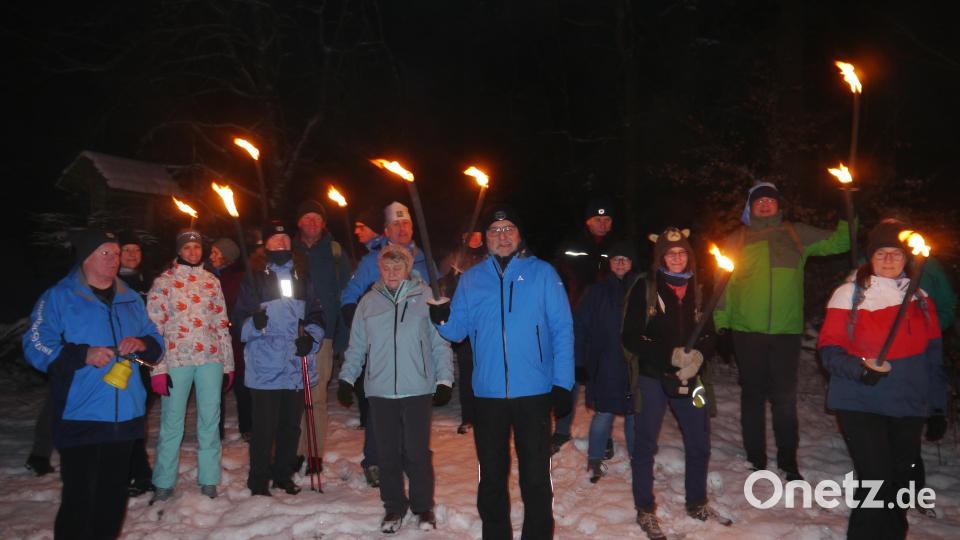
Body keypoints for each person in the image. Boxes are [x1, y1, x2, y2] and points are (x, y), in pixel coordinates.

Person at [429, 204, 574, 539]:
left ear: (519, 234)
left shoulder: (543, 274)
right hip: (488, 394)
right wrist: (441, 318)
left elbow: (563, 330)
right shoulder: (472, 279)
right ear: (486, 238)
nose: (502, 236)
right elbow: (457, 332)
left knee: (535, 476)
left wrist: (562, 383)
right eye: (495, 231)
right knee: (491, 477)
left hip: (534, 391)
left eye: (509, 228)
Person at [23, 229, 163, 539]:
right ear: (86, 258)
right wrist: (81, 355)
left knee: (112, 500)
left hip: (125, 415)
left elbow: (156, 340)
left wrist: (141, 342)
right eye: (106, 253)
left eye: (116, 253)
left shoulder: (129, 298)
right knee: (79, 499)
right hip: (80, 414)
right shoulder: (60, 297)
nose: (114, 259)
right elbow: (36, 345)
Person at [817, 220, 946, 539]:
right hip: (860, 401)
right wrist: (860, 369)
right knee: (877, 479)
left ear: (907, 259)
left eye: (896, 253)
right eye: (881, 253)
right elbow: (829, 350)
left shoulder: (921, 299)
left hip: (906, 404)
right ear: (869, 258)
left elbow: (933, 358)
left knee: (899, 483)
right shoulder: (850, 293)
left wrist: (938, 407)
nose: (889, 259)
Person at [713, 182, 851, 480]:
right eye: (758, 200)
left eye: (770, 200)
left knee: (784, 399)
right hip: (746, 330)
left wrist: (846, 210)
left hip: (786, 332)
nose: (764, 204)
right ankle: (755, 459)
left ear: (779, 205)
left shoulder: (795, 233)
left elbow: (842, 242)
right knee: (752, 395)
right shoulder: (736, 240)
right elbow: (723, 286)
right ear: (749, 206)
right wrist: (721, 325)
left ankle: (788, 462)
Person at [337, 244, 454, 533]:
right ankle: (393, 507)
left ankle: (423, 507)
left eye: (397, 266)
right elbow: (357, 347)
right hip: (380, 389)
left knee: (416, 452)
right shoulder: (368, 302)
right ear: (380, 269)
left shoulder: (426, 297)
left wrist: (444, 380)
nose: (391, 272)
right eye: (386, 267)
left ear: (407, 268)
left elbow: (440, 343)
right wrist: (346, 378)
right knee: (387, 453)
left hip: (417, 388)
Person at [622, 228, 727, 538]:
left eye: (682, 252)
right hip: (653, 378)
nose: (677, 257)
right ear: (661, 257)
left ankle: (697, 502)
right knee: (645, 445)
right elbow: (631, 336)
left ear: (689, 256)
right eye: (670, 253)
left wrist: (698, 358)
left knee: (699, 443)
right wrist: (668, 355)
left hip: (691, 380)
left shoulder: (700, 288)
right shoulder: (647, 287)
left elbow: (710, 333)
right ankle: (645, 509)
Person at [340, 200, 437, 486]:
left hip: (414, 347)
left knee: (412, 413)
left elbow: (438, 297)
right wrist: (358, 320)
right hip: (383, 346)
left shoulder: (424, 259)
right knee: (380, 408)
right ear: (386, 230)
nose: (402, 228)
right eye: (396, 224)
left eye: (406, 223)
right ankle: (375, 460)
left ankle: (412, 458)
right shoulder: (373, 261)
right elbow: (350, 294)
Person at [233, 220, 325, 496]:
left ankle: (283, 474)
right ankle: (258, 480)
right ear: (265, 245)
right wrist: (255, 323)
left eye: (285, 238)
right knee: (264, 429)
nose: (281, 243)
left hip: (295, 365)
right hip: (266, 366)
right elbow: (239, 322)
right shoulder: (254, 278)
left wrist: (310, 337)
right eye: (275, 239)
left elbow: (316, 315)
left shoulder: (302, 277)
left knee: (290, 427)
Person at [146, 230, 234, 501]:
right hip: (176, 360)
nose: (193, 252)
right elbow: (153, 328)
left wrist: (228, 364)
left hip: (210, 358)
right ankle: (163, 480)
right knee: (172, 422)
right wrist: (157, 368)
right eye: (188, 247)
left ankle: (209, 478)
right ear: (179, 251)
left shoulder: (211, 281)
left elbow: (222, 323)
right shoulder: (164, 282)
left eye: (197, 247)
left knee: (210, 420)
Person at [552, 195, 618, 454]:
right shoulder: (571, 245)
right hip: (574, 320)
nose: (602, 224)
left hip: (605, 324)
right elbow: (556, 279)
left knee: (603, 378)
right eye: (597, 219)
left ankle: (605, 434)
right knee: (569, 376)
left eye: (606, 219)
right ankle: (561, 430)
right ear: (587, 221)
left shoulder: (619, 248)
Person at [293, 200, 351, 475]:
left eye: (317, 219)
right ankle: (293, 451)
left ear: (324, 223)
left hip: (323, 335)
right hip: (290, 335)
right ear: (299, 223)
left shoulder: (335, 252)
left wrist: (342, 334)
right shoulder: (287, 250)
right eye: (307, 218)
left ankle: (313, 453)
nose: (312, 223)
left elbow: (345, 293)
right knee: (293, 396)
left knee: (316, 396)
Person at [574, 239, 639, 483]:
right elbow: (580, 327)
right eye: (616, 259)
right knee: (603, 413)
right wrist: (580, 362)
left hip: (634, 365)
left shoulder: (641, 289)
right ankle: (594, 459)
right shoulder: (596, 292)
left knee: (635, 414)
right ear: (609, 263)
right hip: (605, 364)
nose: (621, 263)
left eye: (625, 259)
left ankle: (637, 460)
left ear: (631, 263)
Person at [117, 230, 155, 497]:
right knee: (123, 416)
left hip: (144, 358)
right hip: (117, 359)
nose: (132, 255)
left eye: (136, 250)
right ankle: (136, 473)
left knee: (137, 416)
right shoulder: (110, 281)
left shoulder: (149, 281)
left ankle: (138, 472)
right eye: (126, 249)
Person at [438, 230, 486, 433]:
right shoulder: (455, 258)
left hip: (485, 324)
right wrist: (452, 280)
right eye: (469, 234)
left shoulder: (490, 256)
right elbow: (443, 286)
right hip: (464, 323)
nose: (474, 238)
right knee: (467, 372)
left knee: (486, 371)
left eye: (477, 233)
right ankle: (468, 417)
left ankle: (486, 414)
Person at [207, 237, 252, 441]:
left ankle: (248, 426)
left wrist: (232, 323)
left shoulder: (238, 278)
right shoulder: (209, 277)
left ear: (227, 257)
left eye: (216, 253)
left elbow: (240, 305)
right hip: (214, 339)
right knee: (215, 384)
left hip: (235, 338)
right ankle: (215, 430)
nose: (211, 256)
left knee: (242, 383)